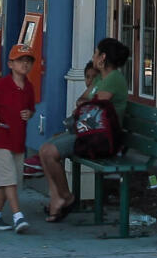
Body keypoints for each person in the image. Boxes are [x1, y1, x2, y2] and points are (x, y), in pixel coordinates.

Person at [36, 35, 131, 225]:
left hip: (102, 138)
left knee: (49, 152)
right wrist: (85, 104)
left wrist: (85, 104)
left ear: (103, 58)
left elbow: (94, 104)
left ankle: (66, 197)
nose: (93, 56)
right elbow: (82, 101)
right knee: (43, 150)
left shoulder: (114, 79)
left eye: (96, 53)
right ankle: (57, 197)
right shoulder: (99, 80)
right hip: (88, 131)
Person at [0, 39, 37, 233]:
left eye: (28, 60)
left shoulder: (29, 87)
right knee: (8, 178)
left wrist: (29, 114)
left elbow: (32, 109)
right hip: (1, 138)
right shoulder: (2, 85)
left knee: (8, 181)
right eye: (20, 60)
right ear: (10, 64)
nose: (25, 64)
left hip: (18, 140)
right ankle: (17, 216)